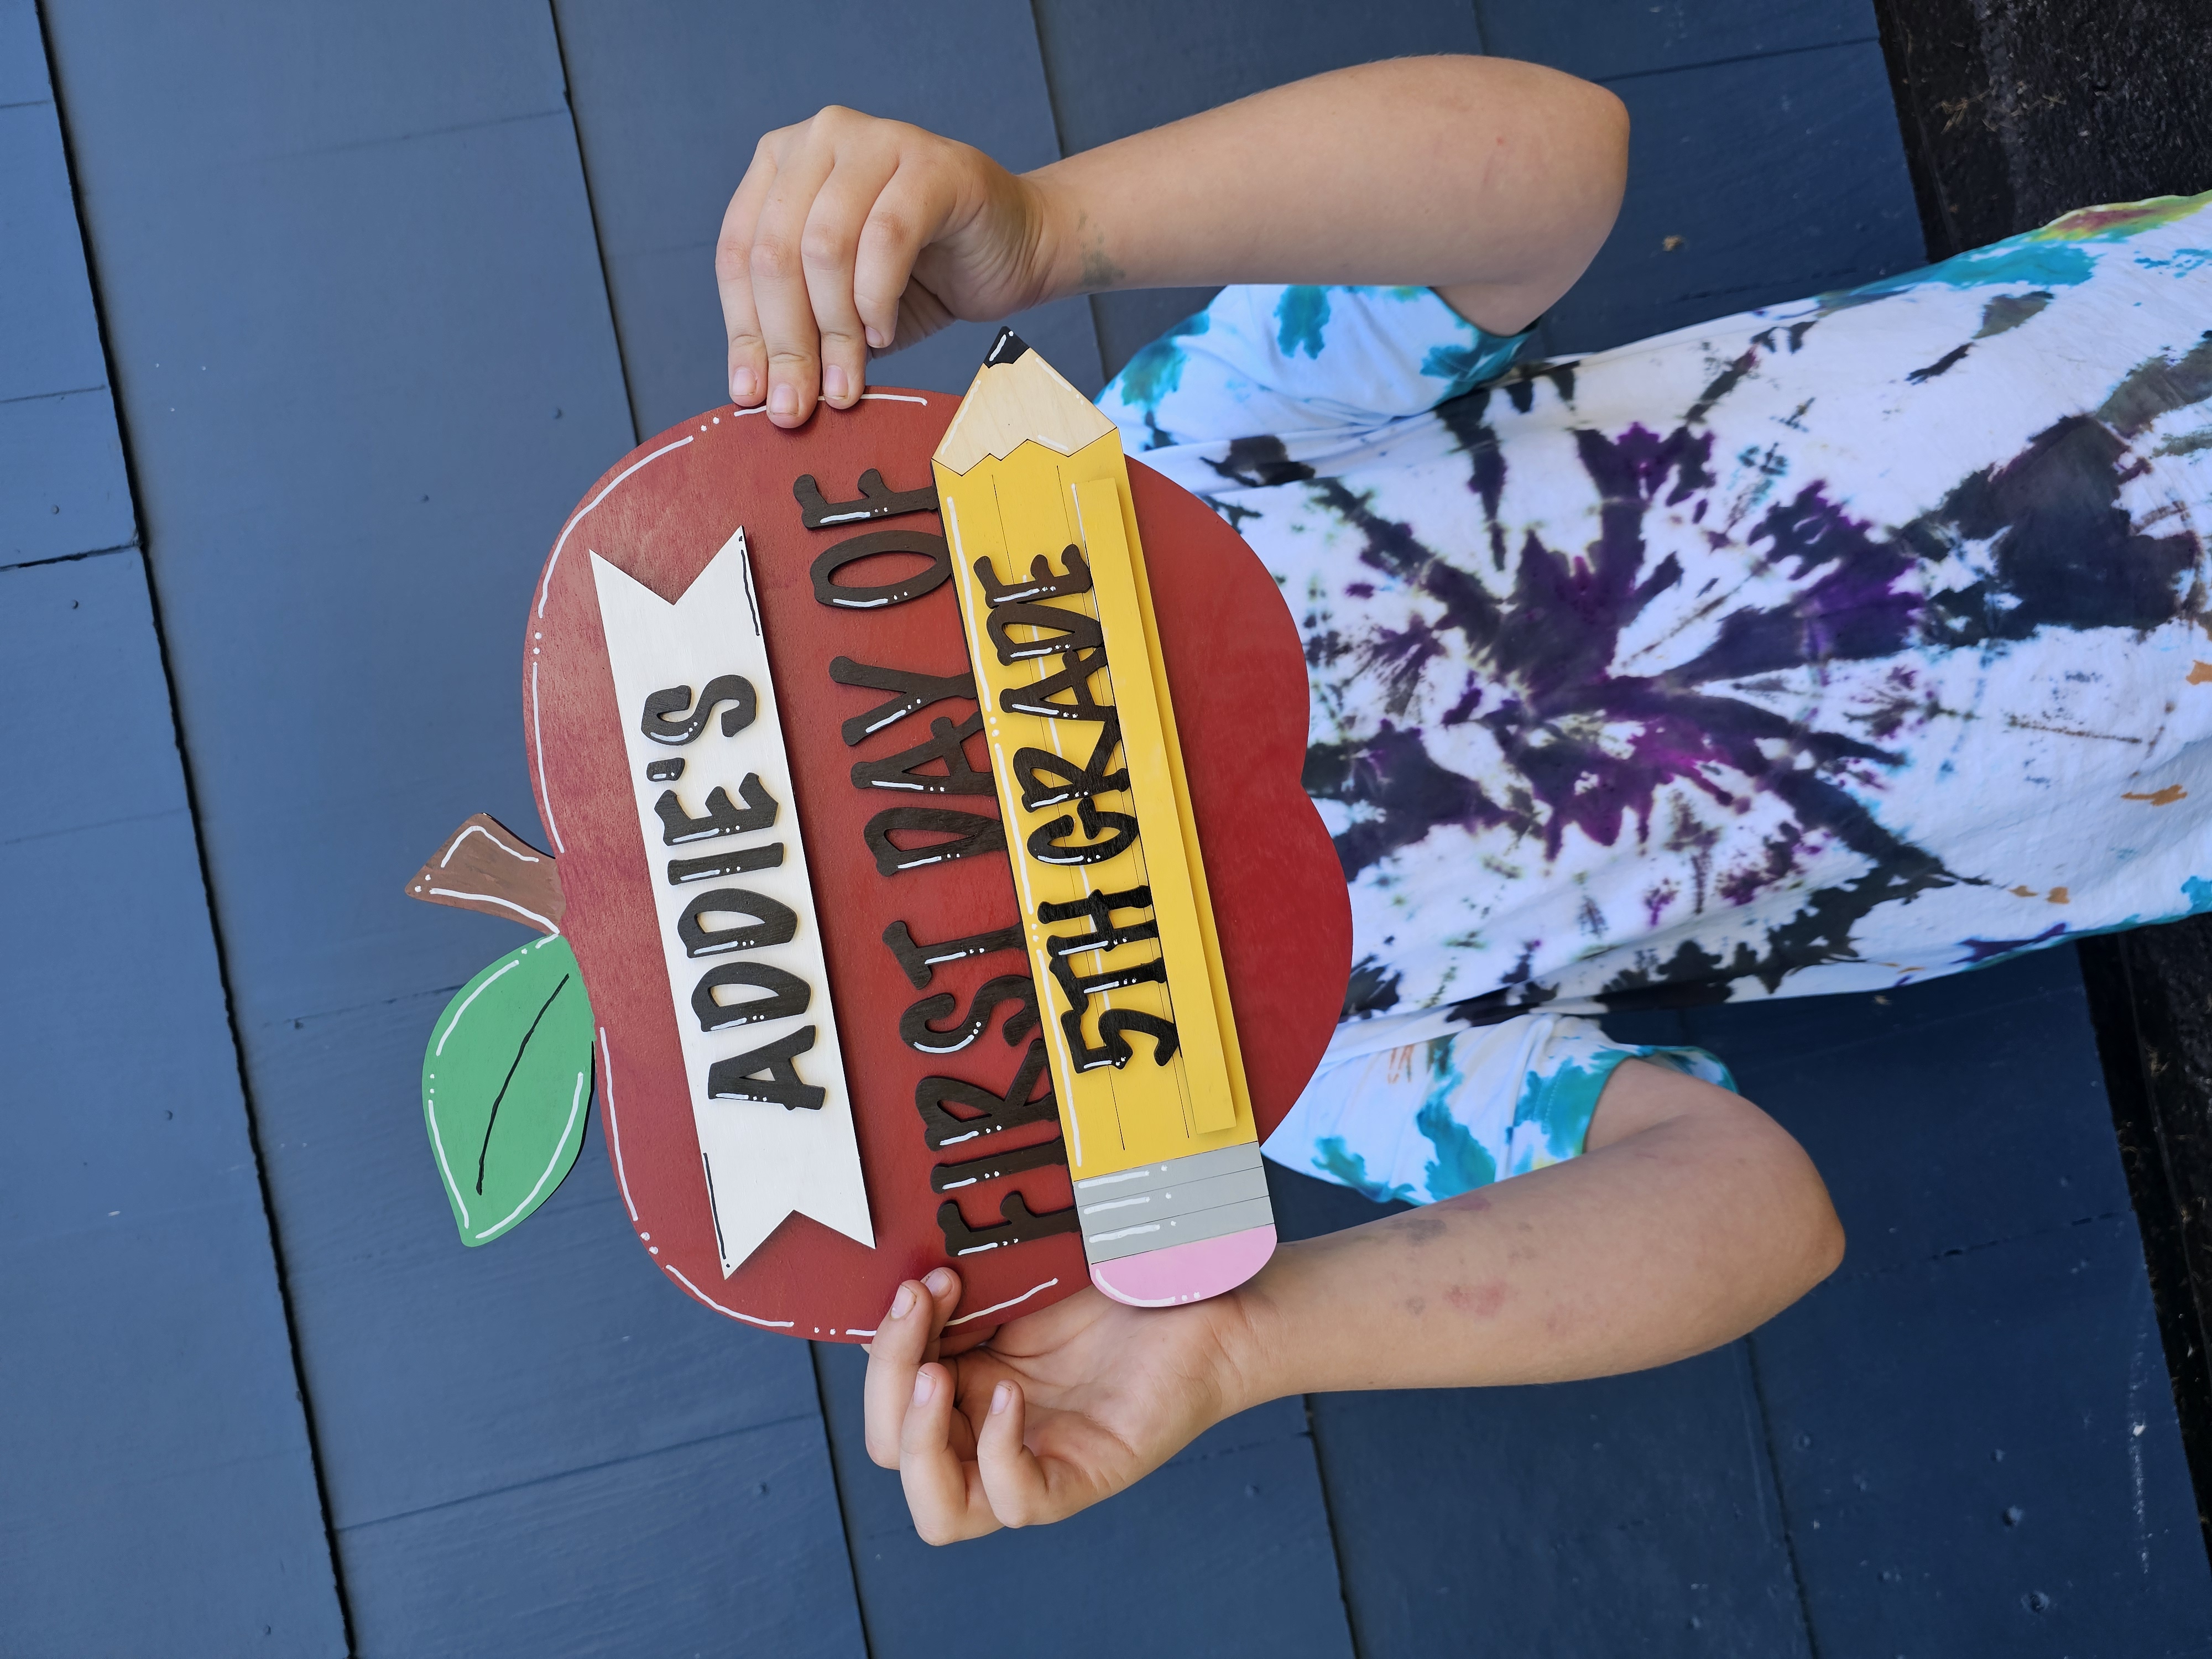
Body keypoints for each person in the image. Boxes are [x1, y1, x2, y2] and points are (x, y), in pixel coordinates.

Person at [713, 56, 2212, 1543]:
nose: (920, 885)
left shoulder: (1152, 488)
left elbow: (1559, 162)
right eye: (893, 977)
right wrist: (1244, 1345)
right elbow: (1758, 1211)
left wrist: (1048, 228)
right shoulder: (1287, 1064)